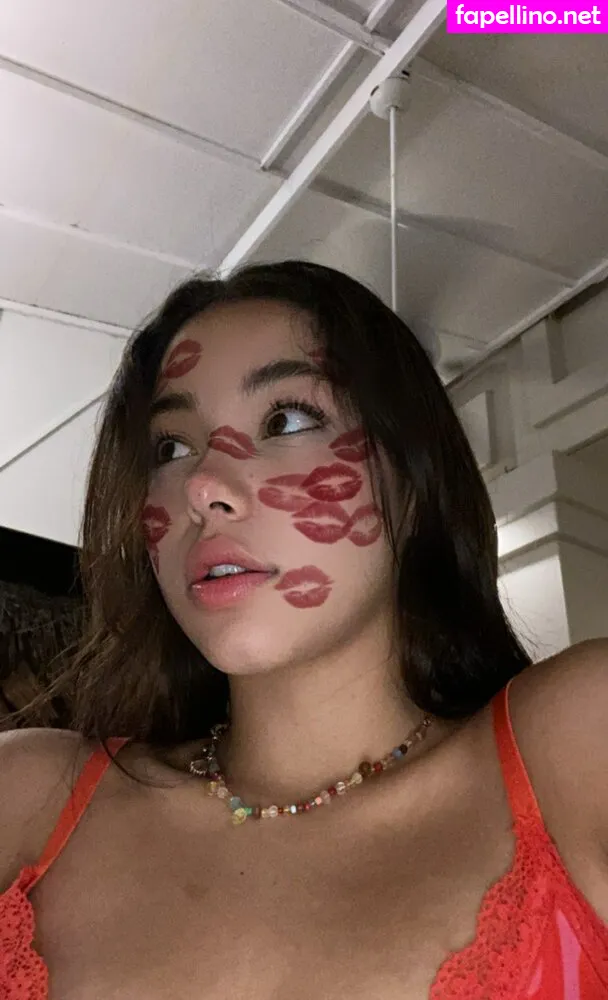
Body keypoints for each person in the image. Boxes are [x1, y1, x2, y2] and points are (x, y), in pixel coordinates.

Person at [0, 260, 607, 1000]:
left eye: (286, 420)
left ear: (413, 483)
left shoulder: (575, 746)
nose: (203, 487)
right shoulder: (28, 800)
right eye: (171, 447)